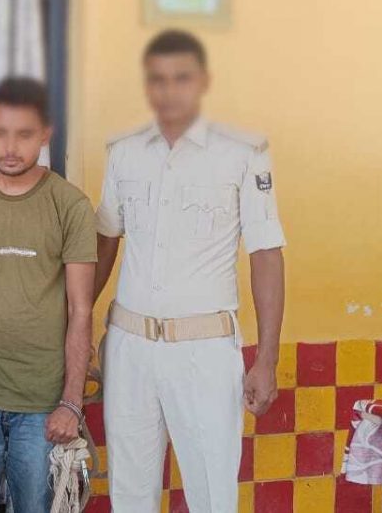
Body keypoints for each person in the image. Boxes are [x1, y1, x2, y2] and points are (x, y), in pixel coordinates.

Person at [95, 29, 286, 512]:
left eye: (181, 78)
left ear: (203, 82)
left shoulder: (243, 153)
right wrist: (74, 329)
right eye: (158, 79)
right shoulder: (124, 151)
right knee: (130, 496)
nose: (169, 90)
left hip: (204, 352)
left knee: (212, 497)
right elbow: (105, 240)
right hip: (130, 347)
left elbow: (266, 254)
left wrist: (267, 359)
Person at [0, 77, 97, 513]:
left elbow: (80, 310)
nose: (10, 148)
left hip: (42, 400)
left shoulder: (70, 205)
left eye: (24, 134)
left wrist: (71, 402)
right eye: (0, 133)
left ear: (46, 133)